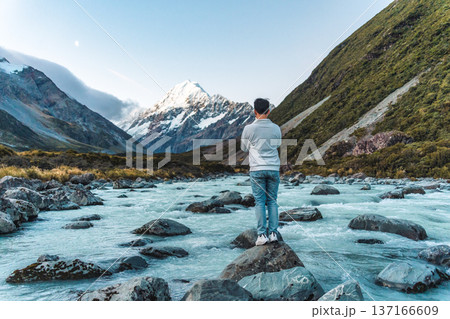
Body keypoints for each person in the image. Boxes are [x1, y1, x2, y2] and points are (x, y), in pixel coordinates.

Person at [240, 98, 282, 246]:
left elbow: (244, 148)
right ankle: (273, 234)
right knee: (272, 201)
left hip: (257, 169)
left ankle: (262, 235)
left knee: (259, 201)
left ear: (255, 111)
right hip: (273, 168)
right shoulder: (276, 128)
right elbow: (277, 145)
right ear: (269, 111)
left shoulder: (248, 129)